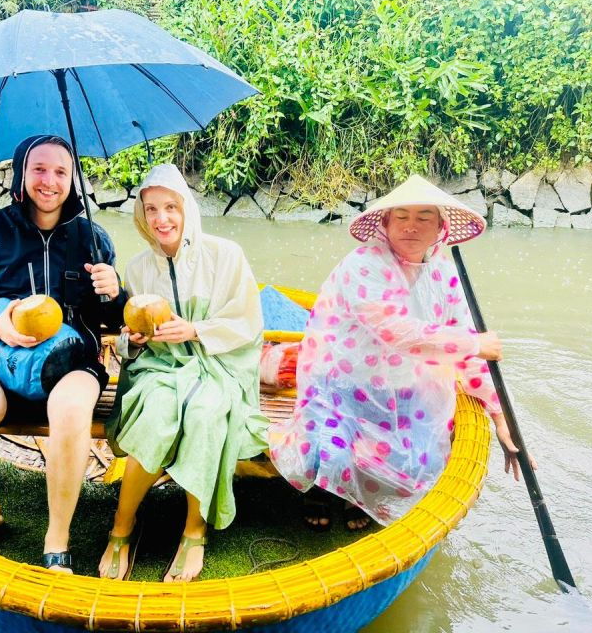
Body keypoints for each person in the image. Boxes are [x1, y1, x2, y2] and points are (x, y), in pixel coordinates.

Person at [268, 175, 536, 531]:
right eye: (402, 217)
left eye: (424, 217)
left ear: (441, 226)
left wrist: (502, 417)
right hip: (342, 381)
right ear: (386, 223)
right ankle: (321, 494)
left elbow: (468, 352)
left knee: (415, 459)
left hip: (400, 387)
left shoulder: (445, 274)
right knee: (328, 453)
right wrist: (473, 342)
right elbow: (397, 331)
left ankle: (361, 497)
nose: (412, 226)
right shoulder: (363, 264)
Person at [0, 134, 126, 573]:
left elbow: (115, 320)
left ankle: (56, 538)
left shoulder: (92, 239)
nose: (49, 180)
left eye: (61, 171)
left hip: (73, 367)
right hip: (0, 366)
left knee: (71, 407)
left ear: (73, 180)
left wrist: (114, 291)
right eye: (39, 169)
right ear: (21, 175)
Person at [100, 164, 267, 582]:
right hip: (161, 367)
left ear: (187, 209)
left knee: (205, 412)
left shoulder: (225, 254)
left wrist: (197, 329)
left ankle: (194, 529)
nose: (162, 219)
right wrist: (133, 340)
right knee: (155, 411)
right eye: (151, 208)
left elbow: (248, 322)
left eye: (171, 207)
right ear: (140, 215)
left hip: (220, 366)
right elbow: (129, 337)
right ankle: (122, 526)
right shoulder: (137, 269)